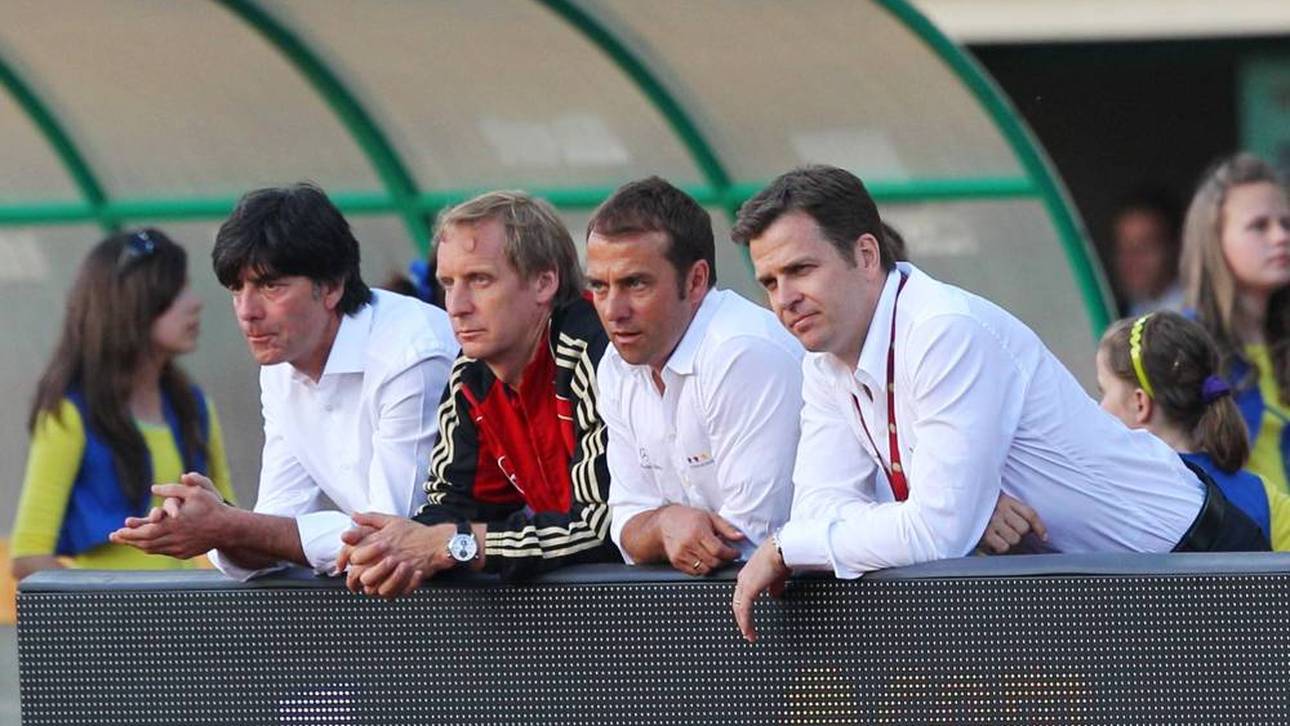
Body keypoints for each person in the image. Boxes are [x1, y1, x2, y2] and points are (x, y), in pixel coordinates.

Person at [729, 165, 1267, 642]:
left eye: (800, 270)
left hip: (1191, 562)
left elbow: (931, 533)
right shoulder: (823, 361)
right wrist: (960, 510)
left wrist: (785, 546)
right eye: (769, 283)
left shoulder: (944, 330)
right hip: (1097, 588)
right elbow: (830, 513)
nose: (783, 299)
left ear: (866, 256)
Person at [110, 183, 456, 580]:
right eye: (236, 288)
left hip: (507, 602)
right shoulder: (280, 366)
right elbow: (279, 517)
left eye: (270, 286)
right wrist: (212, 526)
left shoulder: (412, 355)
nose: (247, 311)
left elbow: (395, 536)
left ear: (331, 286)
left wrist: (230, 525)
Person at [337, 191, 617, 597]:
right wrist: (388, 545)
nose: (457, 305)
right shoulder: (471, 373)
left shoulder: (594, 352)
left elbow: (600, 531)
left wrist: (455, 544)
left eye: (480, 280)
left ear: (544, 281)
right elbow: (455, 505)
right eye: (448, 284)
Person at [584, 177, 803, 576]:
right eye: (599, 286)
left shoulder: (742, 352)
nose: (613, 310)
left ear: (697, 280)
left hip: (829, 608)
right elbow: (624, 525)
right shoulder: (617, 365)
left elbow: (750, 541)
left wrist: (659, 528)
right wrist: (666, 525)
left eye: (635, 283)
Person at [11, 229, 236, 579]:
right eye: (176, 290)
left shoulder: (194, 407)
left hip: (187, 622)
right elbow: (28, 556)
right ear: (132, 303)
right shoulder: (71, 411)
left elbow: (232, 524)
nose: (195, 302)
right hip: (108, 629)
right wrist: (111, 612)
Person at [1095, 311, 1289, 549]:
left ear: (1140, 404)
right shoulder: (1264, 495)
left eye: (1103, 391)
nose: (1099, 407)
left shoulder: (1119, 495)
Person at [1180, 153, 1290, 497]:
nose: (1281, 237)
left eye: (1286, 223)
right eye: (1259, 226)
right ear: (1214, 240)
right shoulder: (1186, 344)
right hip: (1246, 547)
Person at [1108, 190, 1185, 316]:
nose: (1131, 259)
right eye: (1123, 248)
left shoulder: (1205, 315)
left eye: (1144, 246)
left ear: (1175, 247)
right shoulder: (1112, 315)